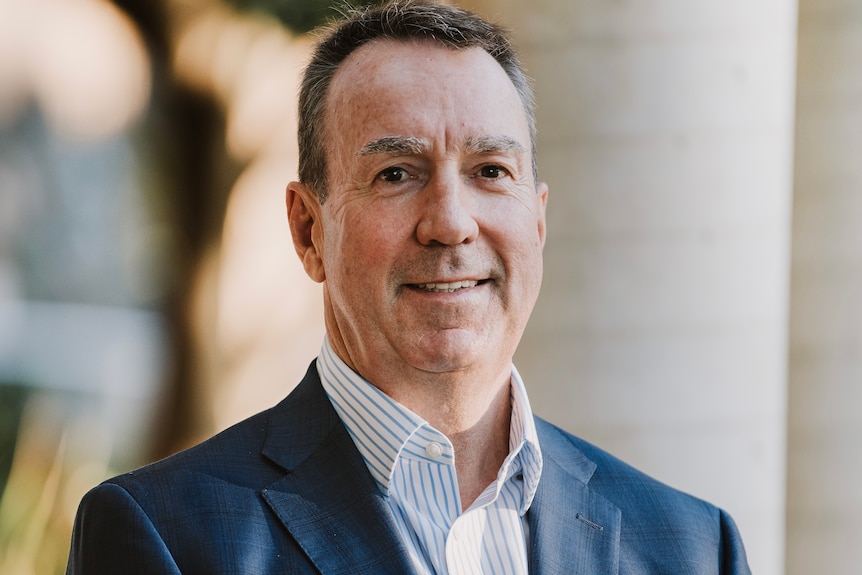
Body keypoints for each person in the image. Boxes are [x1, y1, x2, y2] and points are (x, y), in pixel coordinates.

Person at [66, 1, 751, 573]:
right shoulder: (167, 535)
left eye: (491, 171)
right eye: (396, 173)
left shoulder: (694, 548)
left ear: (538, 222)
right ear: (308, 231)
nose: (451, 223)